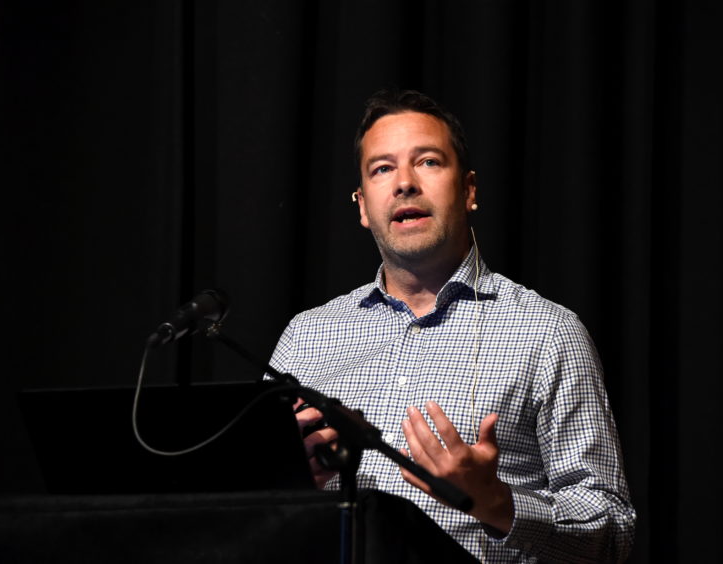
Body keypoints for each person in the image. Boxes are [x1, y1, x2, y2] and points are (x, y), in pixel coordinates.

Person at [269, 89, 636, 562]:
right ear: (362, 206)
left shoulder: (546, 332)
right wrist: (288, 484)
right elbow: (244, 513)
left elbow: (613, 533)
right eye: (382, 168)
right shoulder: (306, 338)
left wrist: (498, 504)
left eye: (427, 162)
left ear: (468, 190)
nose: (404, 183)